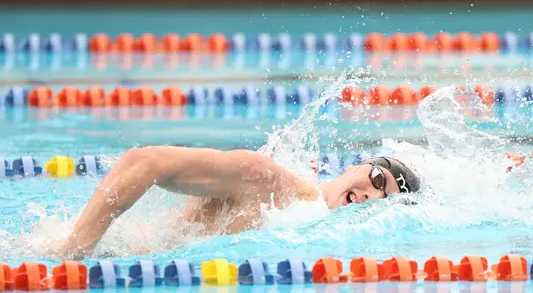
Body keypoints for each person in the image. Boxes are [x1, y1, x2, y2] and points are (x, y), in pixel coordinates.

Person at [62, 146, 420, 259]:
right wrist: (73, 255)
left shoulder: (321, 241)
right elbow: (143, 162)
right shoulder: (268, 181)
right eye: (376, 179)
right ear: (355, 167)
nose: (372, 196)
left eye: (383, 199)